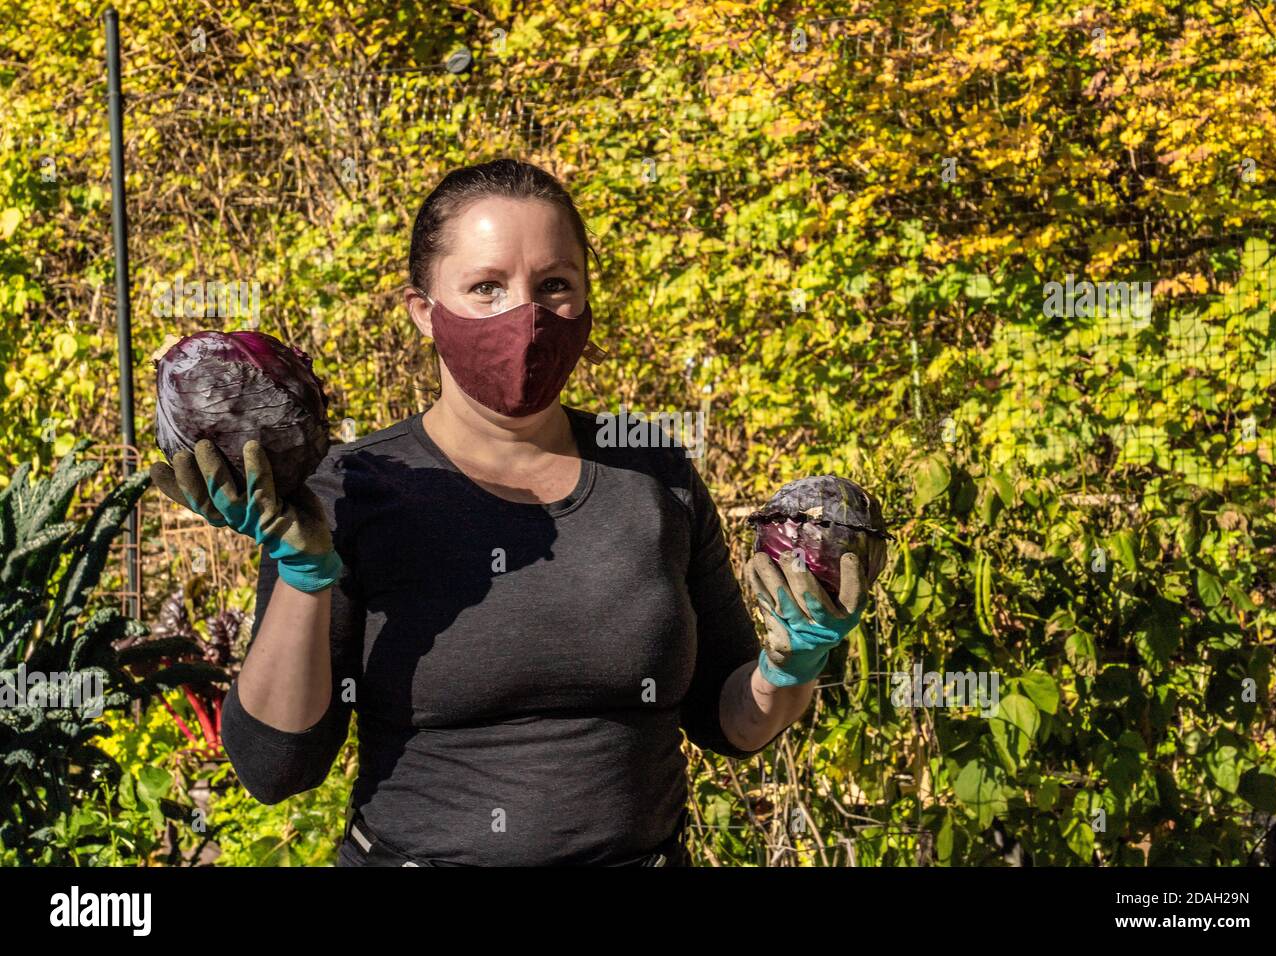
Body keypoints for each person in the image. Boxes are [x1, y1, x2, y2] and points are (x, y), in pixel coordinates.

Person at [149, 158, 882, 867]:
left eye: (554, 285)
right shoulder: (350, 489)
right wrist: (305, 577)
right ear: (422, 312)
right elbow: (275, 766)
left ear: (587, 300)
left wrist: (790, 666)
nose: (525, 315)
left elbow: (728, 723)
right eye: (485, 287)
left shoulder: (652, 472)